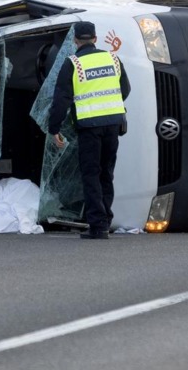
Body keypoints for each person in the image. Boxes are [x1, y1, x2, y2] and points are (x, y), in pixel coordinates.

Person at [48, 21, 132, 240]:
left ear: (75, 41)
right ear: (95, 39)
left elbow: (61, 100)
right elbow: (125, 90)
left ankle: (98, 226)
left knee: (91, 174)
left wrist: (54, 128)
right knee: (106, 173)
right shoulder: (113, 58)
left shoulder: (72, 64)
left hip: (89, 128)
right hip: (113, 126)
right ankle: (105, 220)